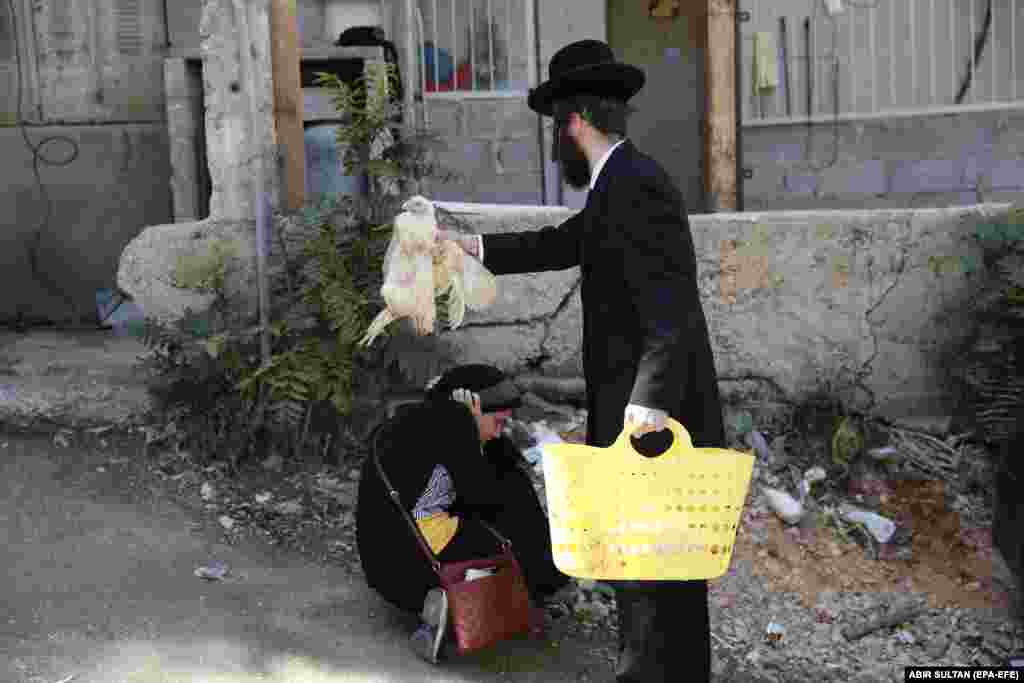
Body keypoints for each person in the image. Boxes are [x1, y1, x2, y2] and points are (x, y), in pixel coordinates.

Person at [437, 40, 727, 683]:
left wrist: (646, 404)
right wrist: (471, 246)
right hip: (644, 408)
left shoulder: (635, 184)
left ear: (573, 122)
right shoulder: (618, 184)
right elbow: (561, 242)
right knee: (651, 569)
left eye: (554, 127)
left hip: (653, 418)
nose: (553, 142)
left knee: (651, 572)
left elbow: (670, 306)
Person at [355, 363, 572, 664]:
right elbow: (485, 497)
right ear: (471, 406)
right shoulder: (452, 430)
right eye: (497, 421)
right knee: (512, 496)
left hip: (385, 564)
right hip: (414, 564)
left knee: (505, 489)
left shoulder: (416, 421)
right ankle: (462, 598)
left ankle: (451, 602)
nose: (502, 427)